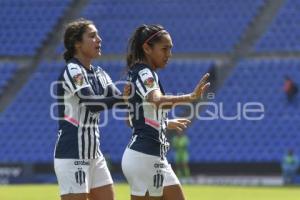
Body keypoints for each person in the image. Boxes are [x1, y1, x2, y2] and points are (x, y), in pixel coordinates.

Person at [121, 24, 210, 200]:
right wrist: (191, 96)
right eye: (164, 48)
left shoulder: (140, 73)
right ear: (147, 48)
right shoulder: (145, 73)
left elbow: (131, 120)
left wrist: (165, 123)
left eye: (170, 49)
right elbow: (158, 101)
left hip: (152, 156)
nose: (169, 54)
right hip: (144, 156)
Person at [54, 18, 128, 200]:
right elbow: (92, 103)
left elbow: (120, 100)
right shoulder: (73, 70)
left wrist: (144, 95)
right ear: (77, 43)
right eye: (92, 36)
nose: (99, 39)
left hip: (95, 155)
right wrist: (125, 97)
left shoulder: (100, 73)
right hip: (72, 154)